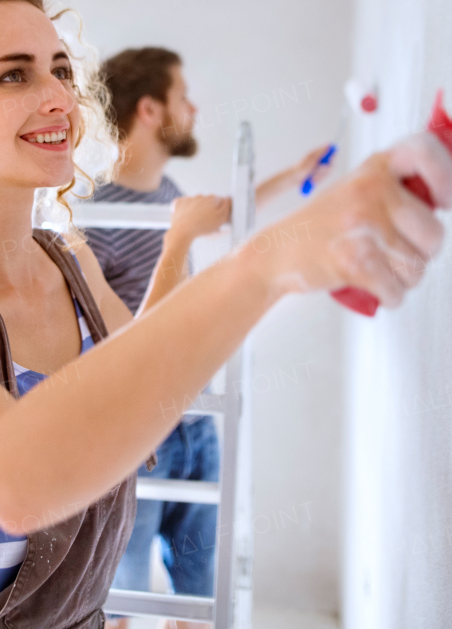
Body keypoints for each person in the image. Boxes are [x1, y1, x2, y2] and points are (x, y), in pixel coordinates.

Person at [0, 0, 452, 629]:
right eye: (13, 75)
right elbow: (17, 482)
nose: (58, 95)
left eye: (59, 69)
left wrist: (300, 266)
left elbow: (149, 368)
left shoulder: (70, 259)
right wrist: (264, 263)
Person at [87, 47, 331, 626]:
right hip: (141, 439)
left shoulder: (168, 191)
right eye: (182, 97)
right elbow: (107, 342)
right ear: (150, 109)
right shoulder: (96, 213)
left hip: (197, 424)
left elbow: (221, 212)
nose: (193, 109)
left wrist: (296, 176)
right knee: (120, 594)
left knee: (198, 595)